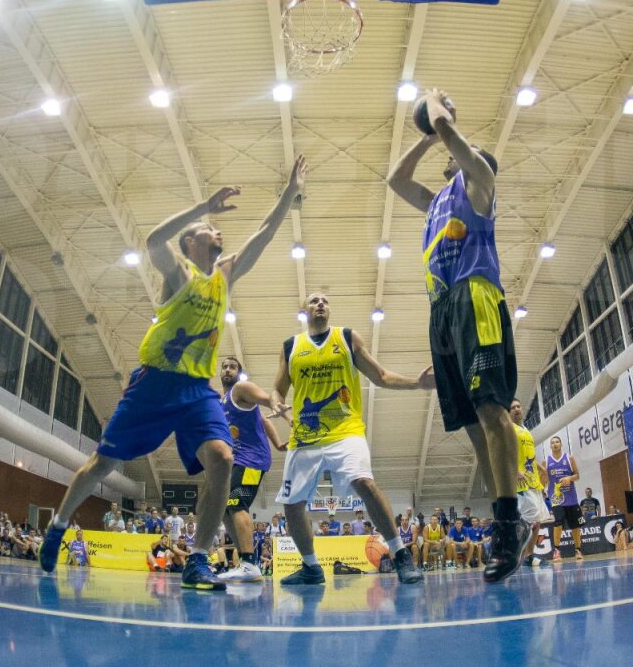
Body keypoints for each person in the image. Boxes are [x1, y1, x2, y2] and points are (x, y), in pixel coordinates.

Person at [37, 158, 307, 591]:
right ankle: (58, 526)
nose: (218, 232)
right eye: (208, 230)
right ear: (190, 244)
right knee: (103, 463)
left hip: (197, 390)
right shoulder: (178, 274)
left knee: (222, 458)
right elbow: (152, 239)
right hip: (154, 383)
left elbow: (265, 234)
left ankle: (198, 560)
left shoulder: (224, 276)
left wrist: (289, 191)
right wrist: (202, 205)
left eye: (215, 229)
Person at [388, 90, 526, 582]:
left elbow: (459, 145)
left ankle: (508, 526)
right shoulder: (435, 203)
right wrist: (427, 135)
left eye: (457, 154)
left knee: (491, 411)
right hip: (441, 311)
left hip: (475, 298)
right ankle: (503, 517)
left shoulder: (480, 183)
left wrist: (439, 115)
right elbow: (396, 180)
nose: (451, 157)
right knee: (471, 425)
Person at [272, 291, 427, 585]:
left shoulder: (346, 337)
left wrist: (417, 383)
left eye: (325, 301)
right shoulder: (291, 346)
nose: (320, 303)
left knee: (364, 482)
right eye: (314, 300)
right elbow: (277, 390)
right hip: (306, 435)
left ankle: (400, 554)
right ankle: (310, 567)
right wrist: (277, 403)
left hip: (346, 429)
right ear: (304, 309)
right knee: (291, 504)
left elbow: (380, 375)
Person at [215, 355, 288, 583]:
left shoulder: (241, 389)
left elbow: (266, 400)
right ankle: (247, 565)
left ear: (239, 372)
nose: (227, 370)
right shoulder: (223, 400)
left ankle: (248, 563)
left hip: (251, 459)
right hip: (237, 460)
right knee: (226, 510)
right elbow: (263, 420)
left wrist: (279, 408)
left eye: (232, 367)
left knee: (237, 504)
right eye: (224, 367)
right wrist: (277, 443)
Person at [509, 399, 548, 569]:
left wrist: (541, 468)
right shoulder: (508, 430)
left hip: (533, 481)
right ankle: (512, 552)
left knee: (538, 521)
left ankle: (529, 555)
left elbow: (529, 455)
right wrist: (514, 471)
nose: (517, 409)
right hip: (520, 482)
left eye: (518, 406)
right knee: (528, 520)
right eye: (513, 408)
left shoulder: (525, 430)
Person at [543, 435, 585, 561]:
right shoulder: (546, 461)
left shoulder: (569, 458)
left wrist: (569, 478)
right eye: (552, 442)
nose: (555, 444)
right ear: (550, 446)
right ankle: (556, 551)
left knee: (575, 525)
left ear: (561, 444)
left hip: (571, 498)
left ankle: (578, 550)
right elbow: (543, 481)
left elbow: (577, 475)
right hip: (556, 498)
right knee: (558, 522)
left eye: (557, 442)